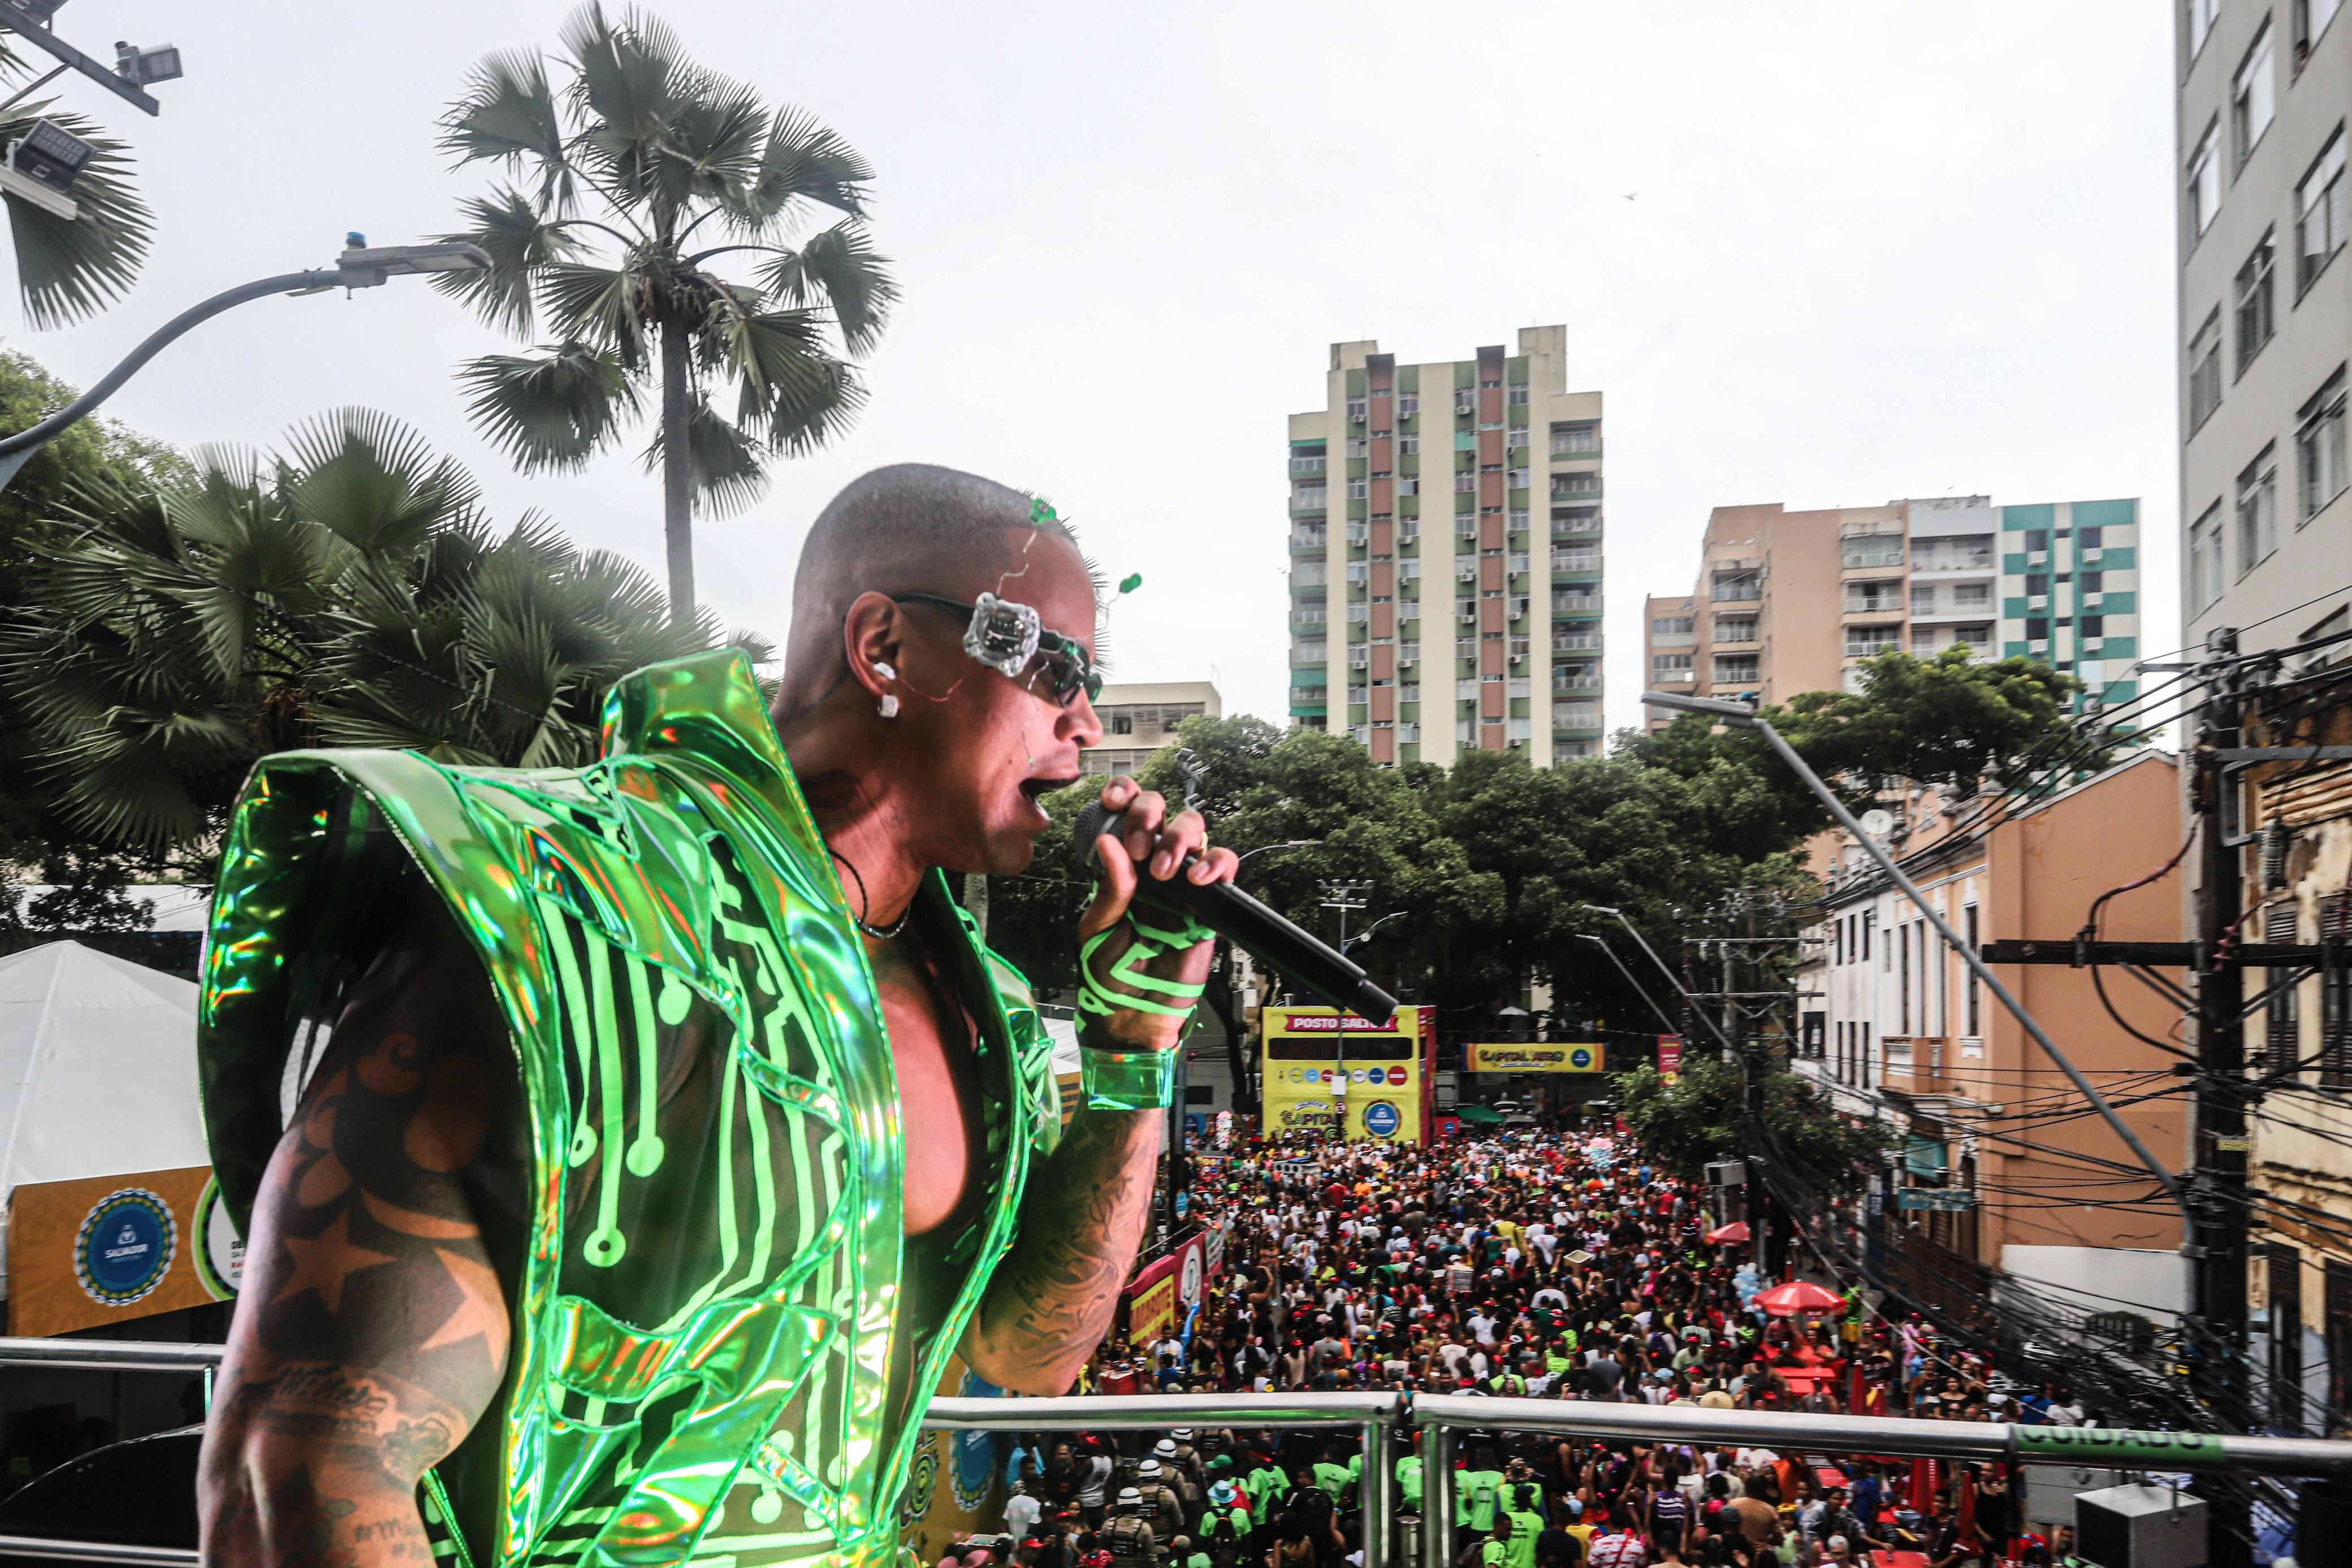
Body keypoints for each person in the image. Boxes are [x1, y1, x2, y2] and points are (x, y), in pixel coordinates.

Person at [193, 466, 1241, 1564]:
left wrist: (1133, 1049)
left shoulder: (993, 1017)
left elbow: (1027, 1355)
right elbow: (303, 1469)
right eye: (1049, 661)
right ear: (883, 647)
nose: (1080, 715)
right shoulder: (565, 909)